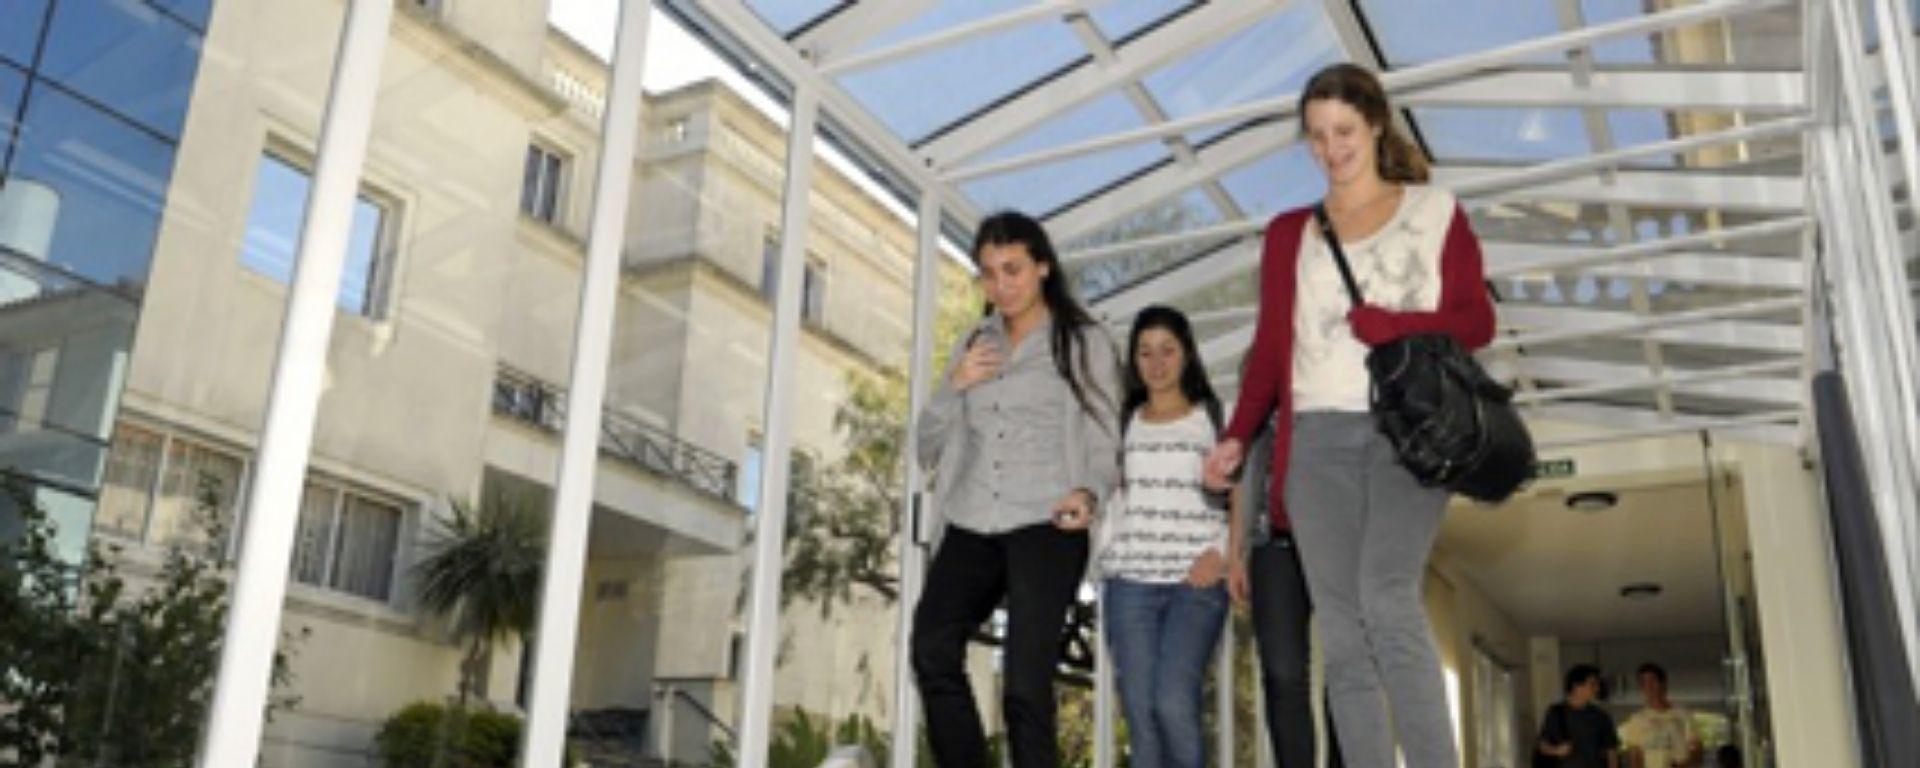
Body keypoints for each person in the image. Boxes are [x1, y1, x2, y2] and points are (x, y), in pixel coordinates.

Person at [1201, 62, 1495, 768]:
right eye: (1316, 136)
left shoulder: (1435, 210)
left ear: (1375, 126)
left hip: (1410, 430)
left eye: (1344, 132)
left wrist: (1392, 325)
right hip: (1319, 443)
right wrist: (1237, 435)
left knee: (1385, 598)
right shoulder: (1287, 235)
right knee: (1340, 631)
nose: (1331, 149)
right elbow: (1273, 351)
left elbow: (1476, 321)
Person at [911, 210, 1122, 768]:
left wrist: (1090, 492)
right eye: (988, 273)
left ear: (1043, 268)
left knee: (1024, 686)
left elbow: (1106, 438)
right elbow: (926, 445)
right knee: (931, 647)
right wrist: (954, 387)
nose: (1000, 285)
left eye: (1013, 270)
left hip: (1047, 520)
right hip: (972, 518)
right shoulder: (972, 343)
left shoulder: (1084, 341)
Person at [1096, 305, 1230, 768]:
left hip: (1194, 585)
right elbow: (1104, 493)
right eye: (1145, 352)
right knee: (1142, 719)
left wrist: (1223, 553)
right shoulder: (1121, 423)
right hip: (1129, 584)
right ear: (1133, 361)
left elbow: (1244, 499)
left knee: (1172, 703)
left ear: (1187, 355)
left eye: (1167, 351)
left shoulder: (1212, 419)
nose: (1156, 363)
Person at [1230, 415, 1344, 768]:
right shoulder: (1258, 398)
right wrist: (1236, 553)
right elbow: (1240, 477)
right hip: (1272, 544)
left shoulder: (1340, 383)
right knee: (1282, 672)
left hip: (1341, 545)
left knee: (1349, 670)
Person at [1538, 664, 1622, 768]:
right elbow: (1543, 746)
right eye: (1592, 684)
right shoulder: (1556, 712)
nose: (1597, 689)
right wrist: (1557, 751)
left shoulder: (1601, 716)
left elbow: (1612, 752)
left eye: (1597, 685)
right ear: (1576, 686)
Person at [1620, 663, 1701, 768]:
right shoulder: (1637, 719)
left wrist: (1685, 764)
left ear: (1663, 683)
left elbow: (1697, 749)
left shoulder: (1683, 714)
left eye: (1652, 681)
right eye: (1643, 683)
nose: (1648, 686)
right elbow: (1635, 755)